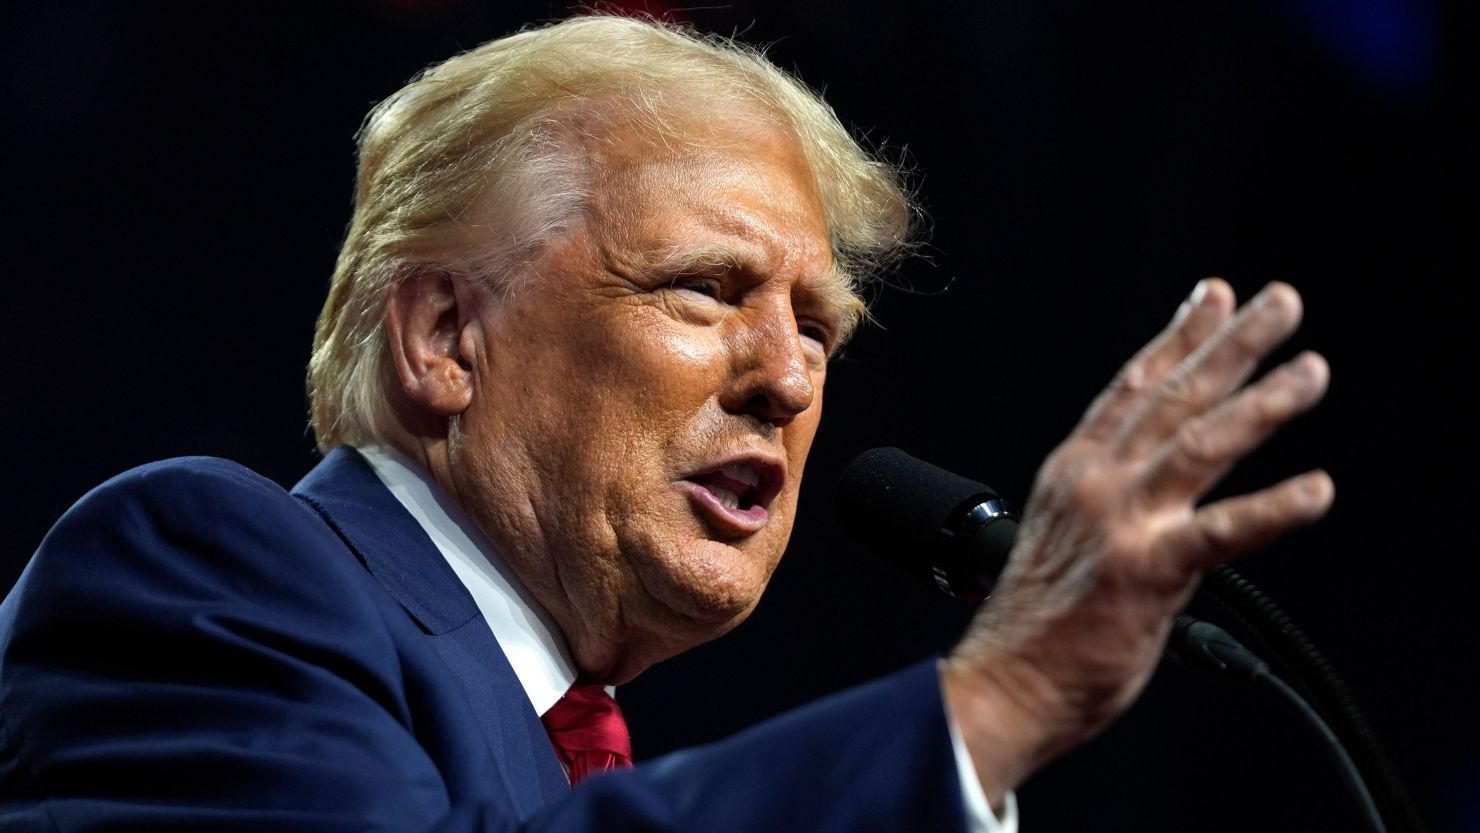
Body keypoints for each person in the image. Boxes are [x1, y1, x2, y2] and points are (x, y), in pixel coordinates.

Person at [0, 14, 1332, 833]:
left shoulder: (589, 763)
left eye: (818, 326)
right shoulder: (199, 571)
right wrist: (992, 704)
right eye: (710, 289)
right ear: (444, 340)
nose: (789, 379)